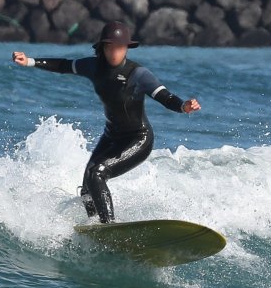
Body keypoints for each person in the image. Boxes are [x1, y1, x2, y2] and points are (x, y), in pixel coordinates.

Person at [12, 21, 201, 223]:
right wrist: (29, 61)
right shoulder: (93, 66)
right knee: (87, 186)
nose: (114, 53)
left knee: (97, 173)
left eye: (119, 48)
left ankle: (108, 226)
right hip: (112, 137)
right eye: (109, 47)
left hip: (138, 139)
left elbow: (165, 97)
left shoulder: (137, 74)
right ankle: (93, 223)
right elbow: (64, 65)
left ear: (126, 48)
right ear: (102, 47)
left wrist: (183, 106)